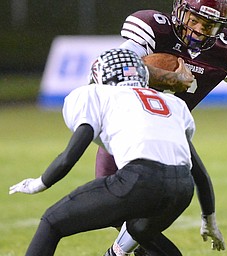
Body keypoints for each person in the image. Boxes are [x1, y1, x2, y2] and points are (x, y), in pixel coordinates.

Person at [97, 0, 227, 255]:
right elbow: (112, 66)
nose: (198, 29)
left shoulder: (225, 50)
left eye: (208, 25)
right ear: (179, 12)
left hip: (167, 142)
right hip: (124, 136)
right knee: (127, 218)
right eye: (194, 20)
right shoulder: (154, 28)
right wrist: (171, 77)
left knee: (146, 224)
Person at [9, 48, 198, 256]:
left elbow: (68, 157)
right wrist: (209, 216)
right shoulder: (173, 103)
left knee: (52, 222)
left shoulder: (97, 94)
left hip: (139, 179)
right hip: (183, 188)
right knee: (138, 231)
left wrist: (39, 183)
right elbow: (196, 167)